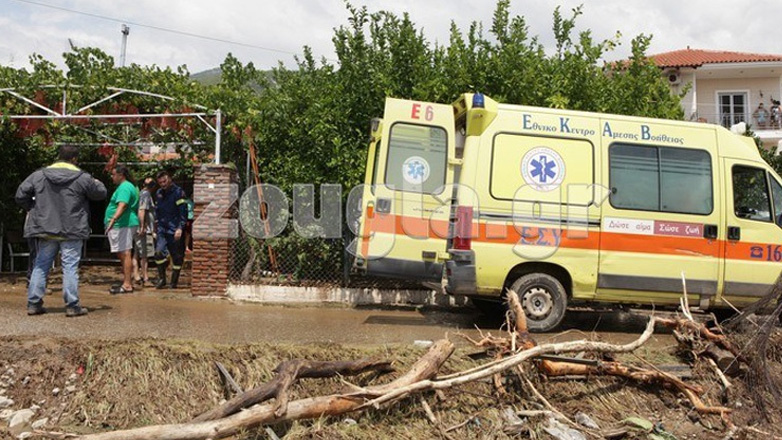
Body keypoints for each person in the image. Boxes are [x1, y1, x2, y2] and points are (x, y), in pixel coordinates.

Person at [15, 145, 107, 317]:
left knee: (41, 264)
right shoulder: (82, 177)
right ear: (74, 159)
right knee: (70, 266)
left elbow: (20, 195)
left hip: (46, 228)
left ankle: (33, 303)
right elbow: (100, 193)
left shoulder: (39, 175)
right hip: (72, 229)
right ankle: (72, 306)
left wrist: (34, 210)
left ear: (59, 156)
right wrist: (95, 181)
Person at [105, 165, 140, 294]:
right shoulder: (127, 186)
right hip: (122, 224)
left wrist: (113, 219)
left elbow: (123, 204)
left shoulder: (125, 187)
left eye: (114, 174)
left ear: (121, 175)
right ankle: (127, 281)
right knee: (122, 253)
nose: (112, 177)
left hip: (123, 223)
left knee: (125, 253)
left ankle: (127, 284)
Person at [153, 170, 188, 289]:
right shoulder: (159, 193)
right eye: (160, 182)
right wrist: (155, 228)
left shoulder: (178, 192)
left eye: (164, 181)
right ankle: (162, 279)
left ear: (169, 179)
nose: (163, 184)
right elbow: (157, 211)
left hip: (174, 229)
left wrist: (180, 227)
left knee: (177, 257)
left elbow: (183, 211)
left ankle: (173, 282)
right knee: (158, 253)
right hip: (162, 229)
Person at [132, 177, 156, 286]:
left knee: (136, 253)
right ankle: (145, 278)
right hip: (144, 230)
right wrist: (142, 226)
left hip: (138, 228)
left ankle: (136, 276)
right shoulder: (146, 195)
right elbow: (142, 210)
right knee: (145, 255)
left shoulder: (141, 193)